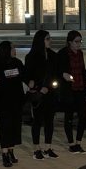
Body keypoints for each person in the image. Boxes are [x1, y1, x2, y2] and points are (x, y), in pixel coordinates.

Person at [24, 30, 59, 160]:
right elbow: (27, 75)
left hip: (50, 92)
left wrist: (49, 87)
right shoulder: (32, 56)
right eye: (47, 39)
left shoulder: (53, 55)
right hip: (38, 93)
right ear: (40, 41)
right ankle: (36, 149)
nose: (50, 41)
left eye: (50, 38)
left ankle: (48, 147)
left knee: (50, 120)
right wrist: (35, 85)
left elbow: (55, 74)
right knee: (37, 121)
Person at [56, 30, 86, 153]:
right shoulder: (63, 53)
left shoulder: (80, 53)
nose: (78, 44)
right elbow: (58, 69)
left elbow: (81, 70)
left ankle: (78, 142)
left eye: (80, 41)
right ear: (69, 42)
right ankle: (71, 143)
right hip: (69, 90)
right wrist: (63, 74)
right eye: (76, 41)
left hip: (80, 87)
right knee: (69, 116)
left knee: (82, 116)